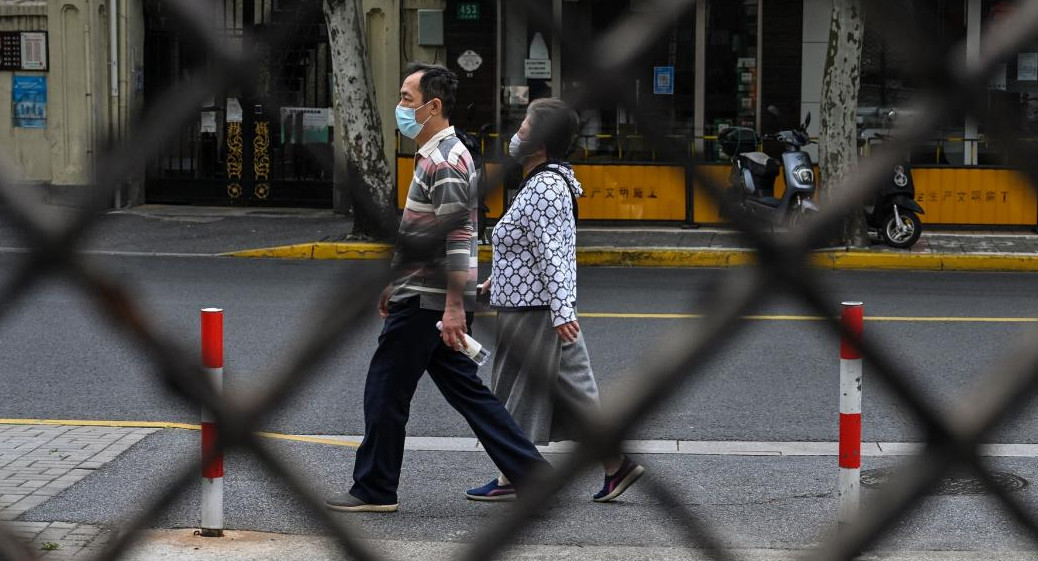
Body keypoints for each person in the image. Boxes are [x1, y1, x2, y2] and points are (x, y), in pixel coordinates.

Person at [325, 63, 550, 513]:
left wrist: (451, 308)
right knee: (469, 392)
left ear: (434, 106)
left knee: (385, 391)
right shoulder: (437, 153)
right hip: (424, 294)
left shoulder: (444, 160)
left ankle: (374, 488)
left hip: (428, 303)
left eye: (407, 99)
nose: (400, 107)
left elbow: (458, 237)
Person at [466, 98, 644, 503]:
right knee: (577, 395)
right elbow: (533, 250)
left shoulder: (545, 187)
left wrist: (562, 310)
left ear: (541, 143)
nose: (517, 133)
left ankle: (513, 475)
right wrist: (498, 281)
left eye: (525, 127)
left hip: (535, 312)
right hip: (536, 305)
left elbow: (554, 255)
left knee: (511, 391)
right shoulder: (543, 182)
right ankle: (617, 464)